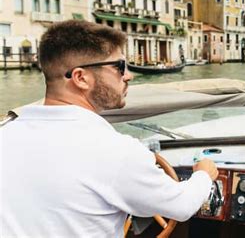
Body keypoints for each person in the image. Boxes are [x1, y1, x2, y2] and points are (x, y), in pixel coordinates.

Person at [0, 20, 218, 237]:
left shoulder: (6, 133)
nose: (128, 75)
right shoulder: (116, 151)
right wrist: (203, 174)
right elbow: (182, 206)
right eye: (119, 67)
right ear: (81, 78)